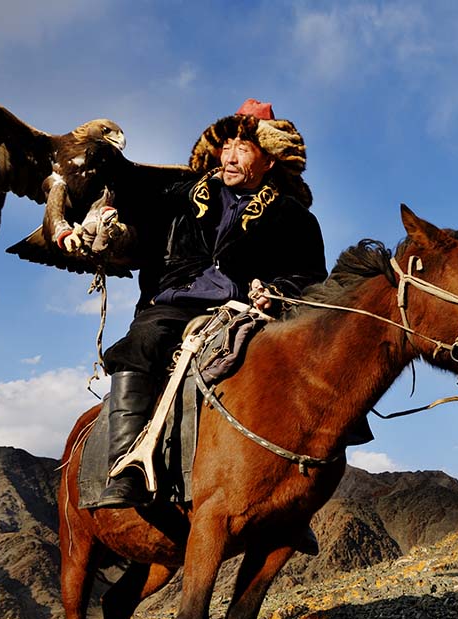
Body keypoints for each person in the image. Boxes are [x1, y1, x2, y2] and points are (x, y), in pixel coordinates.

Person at [95, 99, 327, 509]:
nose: (230, 156)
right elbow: (129, 211)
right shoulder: (180, 196)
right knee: (144, 339)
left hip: (252, 311)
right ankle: (126, 467)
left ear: (269, 160)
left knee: (306, 360)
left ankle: (301, 492)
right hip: (178, 302)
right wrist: (104, 218)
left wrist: (276, 291)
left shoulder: (294, 217)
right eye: (226, 146)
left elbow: (310, 276)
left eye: (244, 147)